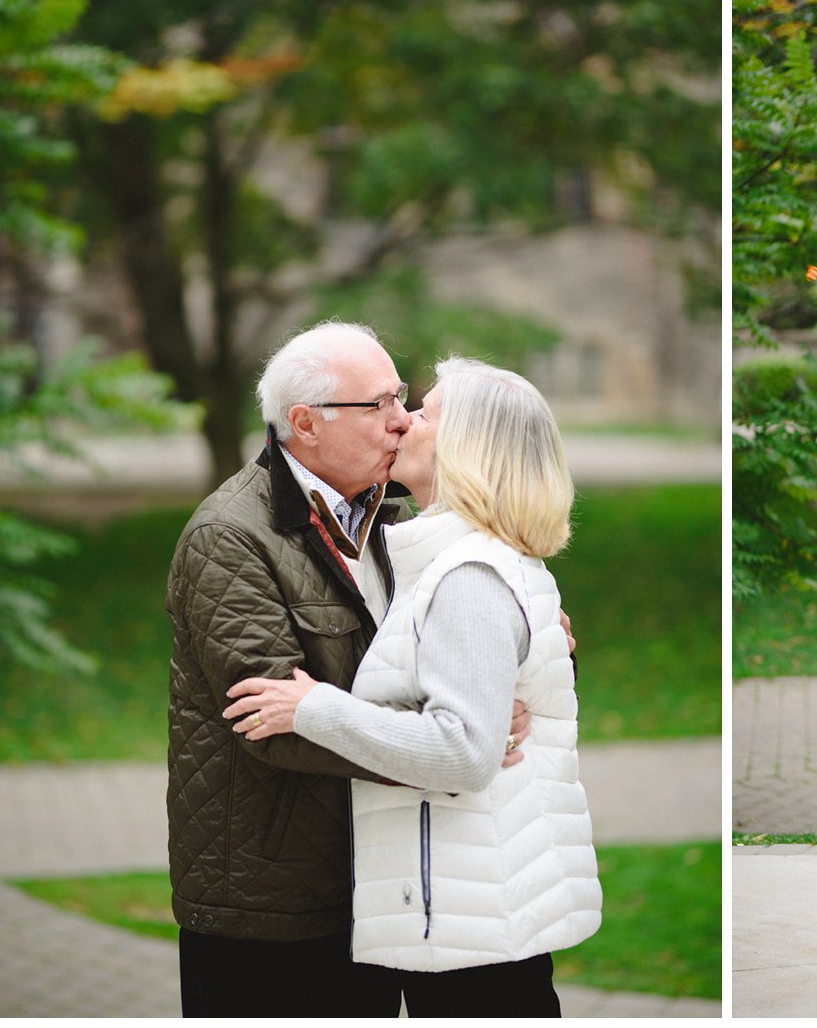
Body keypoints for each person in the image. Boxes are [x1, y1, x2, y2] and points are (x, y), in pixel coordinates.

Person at [165, 322, 540, 1016]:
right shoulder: (229, 537)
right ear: (305, 423)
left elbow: (465, 632)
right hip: (272, 902)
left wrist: (518, 668)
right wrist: (455, 741)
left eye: (402, 400)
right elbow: (269, 722)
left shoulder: (395, 521)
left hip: (375, 883)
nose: (401, 421)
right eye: (380, 405)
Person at [222, 357, 602, 1016]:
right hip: (474, 912)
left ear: (464, 447)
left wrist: (312, 707)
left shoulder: (467, 577)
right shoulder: (464, 561)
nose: (402, 420)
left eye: (424, 412)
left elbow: (462, 755)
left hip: (472, 927)